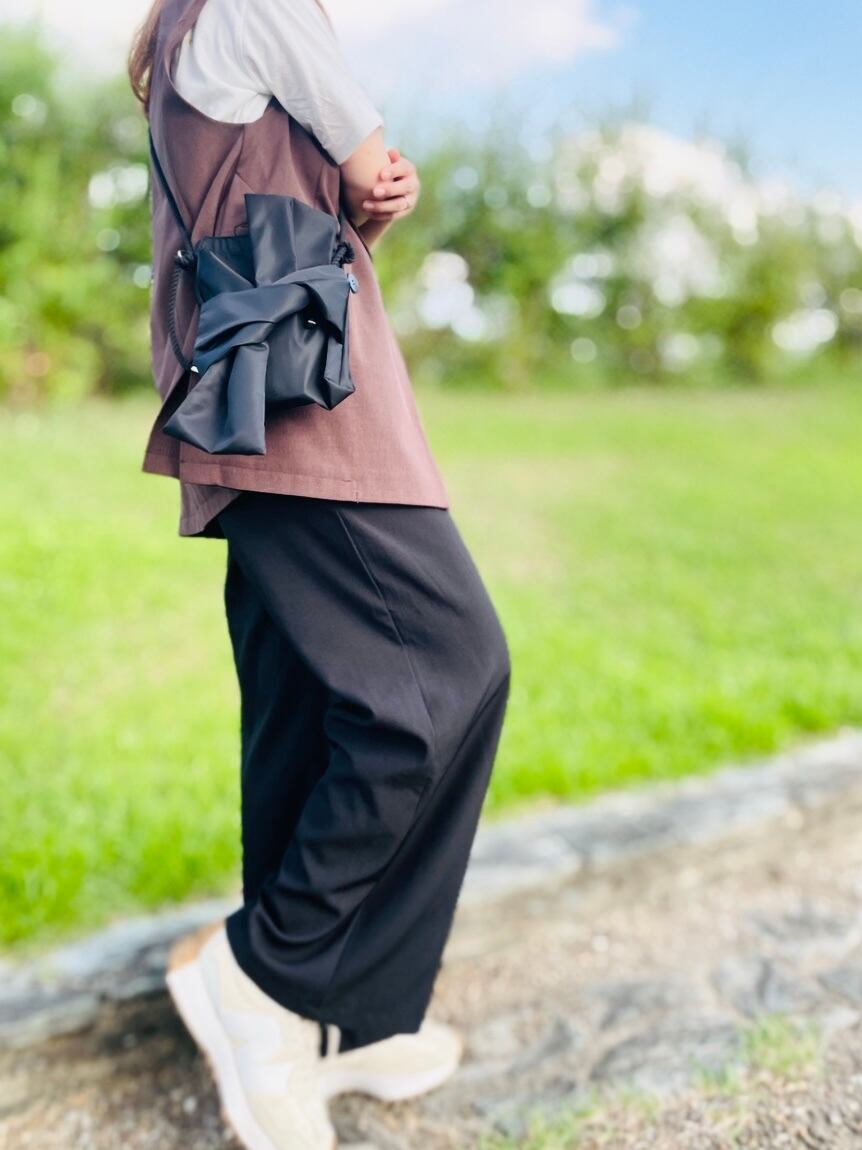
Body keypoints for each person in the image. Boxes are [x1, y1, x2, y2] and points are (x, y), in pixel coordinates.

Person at [128, 1, 512, 1147]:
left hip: (254, 386)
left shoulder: (189, 24)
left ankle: (338, 1019)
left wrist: (363, 198)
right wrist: (373, 182)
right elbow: (367, 154)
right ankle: (263, 978)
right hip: (305, 409)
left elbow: (317, 196)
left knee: (306, 707)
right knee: (442, 679)